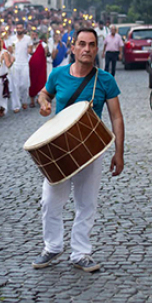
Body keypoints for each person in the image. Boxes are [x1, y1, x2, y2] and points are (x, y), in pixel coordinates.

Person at [34, 28, 125, 272]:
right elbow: (44, 94)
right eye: (82, 44)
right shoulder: (58, 74)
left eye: (92, 45)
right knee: (50, 201)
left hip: (91, 149)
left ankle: (81, 252)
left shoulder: (105, 79)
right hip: (60, 147)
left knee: (86, 203)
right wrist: (43, 103)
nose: (86, 49)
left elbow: (116, 117)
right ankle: (52, 247)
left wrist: (119, 152)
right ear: (73, 48)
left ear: (98, 49)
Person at [6, 23, 32, 113]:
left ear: (23, 29)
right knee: (15, 85)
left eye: (21, 28)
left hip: (24, 63)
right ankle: (16, 105)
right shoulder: (12, 39)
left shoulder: (28, 38)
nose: (19, 29)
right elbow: (9, 50)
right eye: (17, 28)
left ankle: (24, 100)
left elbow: (30, 49)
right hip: (15, 64)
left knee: (24, 85)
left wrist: (29, 50)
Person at [0, 38, 13, 118]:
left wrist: (12, 60)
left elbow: (8, 64)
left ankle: (1, 109)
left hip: (2, 77)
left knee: (1, 96)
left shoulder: (4, 52)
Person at [28, 35, 48, 107]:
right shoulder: (29, 44)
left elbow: (46, 53)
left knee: (41, 81)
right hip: (31, 66)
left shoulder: (43, 44)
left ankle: (40, 98)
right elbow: (28, 52)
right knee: (32, 82)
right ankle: (32, 100)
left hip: (41, 67)